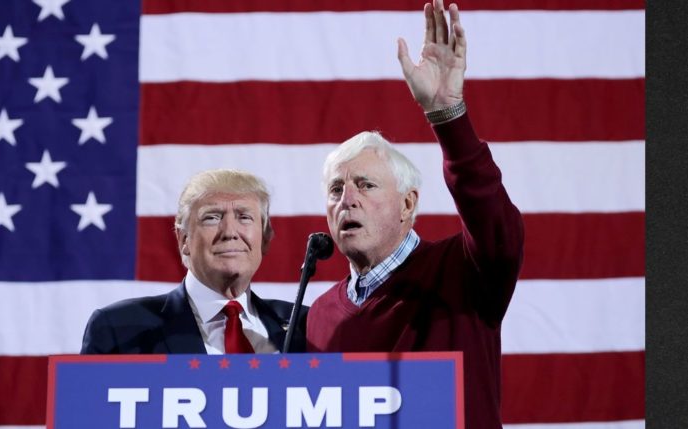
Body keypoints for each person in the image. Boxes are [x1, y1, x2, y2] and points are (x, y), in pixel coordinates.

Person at [305, 1, 524, 428]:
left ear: (408, 205)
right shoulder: (319, 314)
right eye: (336, 189)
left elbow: (495, 222)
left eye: (365, 185)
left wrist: (447, 114)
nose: (346, 199)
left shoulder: (464, 272)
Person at [81, 169, 307, 354]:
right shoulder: (119, 328)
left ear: (265, 240)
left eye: (244, 217)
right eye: (212, 217)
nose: (230, 232)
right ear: (184, 240)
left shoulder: (304, 326)